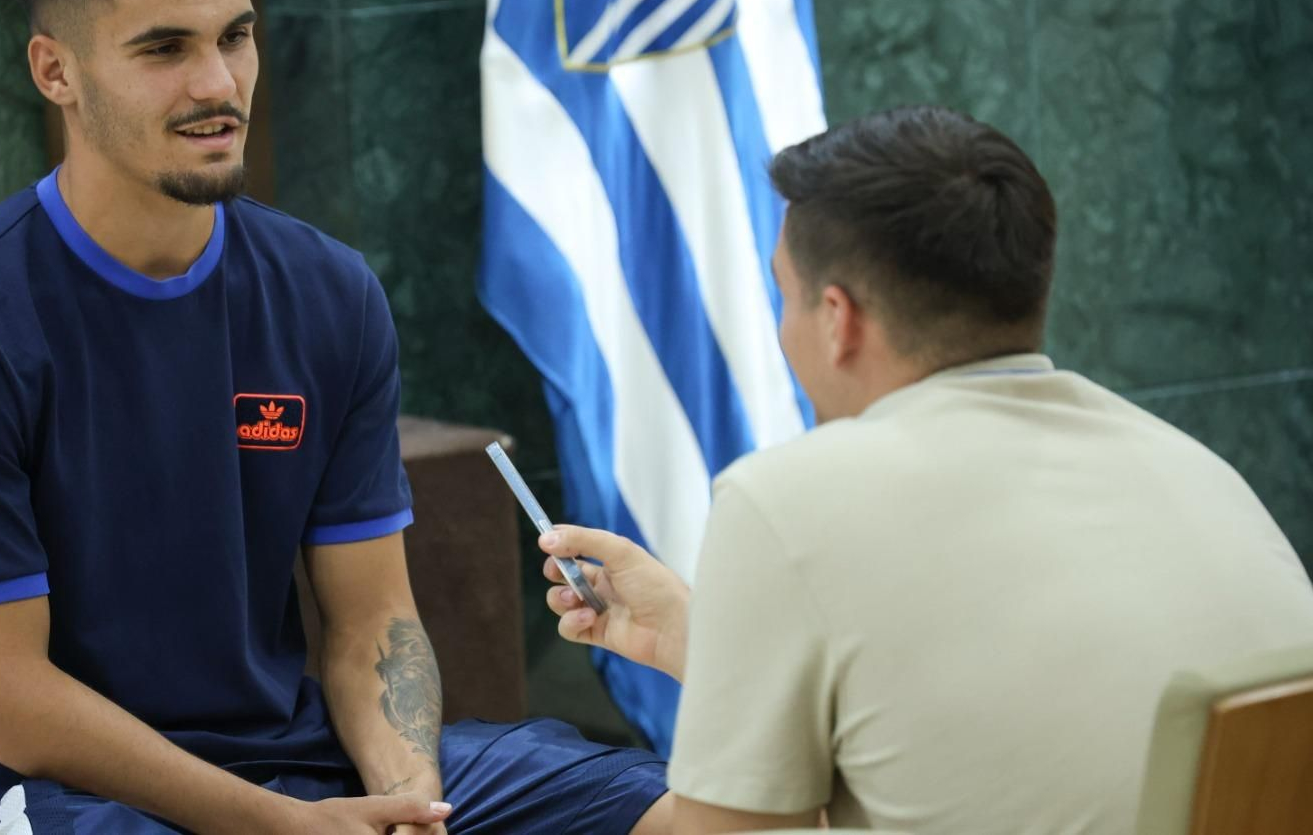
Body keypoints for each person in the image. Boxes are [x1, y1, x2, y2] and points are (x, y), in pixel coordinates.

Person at [0, 0, 669, 835]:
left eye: (234, 36)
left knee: (691, 813)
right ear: (53, 70)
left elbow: (373, 622)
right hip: (49, 792)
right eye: (163, 49)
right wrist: (278, 828)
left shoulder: (327, 292)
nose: (217, 81)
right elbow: (2, 700)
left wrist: (409, 803)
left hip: (300, 754)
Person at [540, 106, 1313, 834]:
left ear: (838, 320)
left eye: (785, 297)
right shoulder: (1196, 470)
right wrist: (708, 645)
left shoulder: (784, 500)